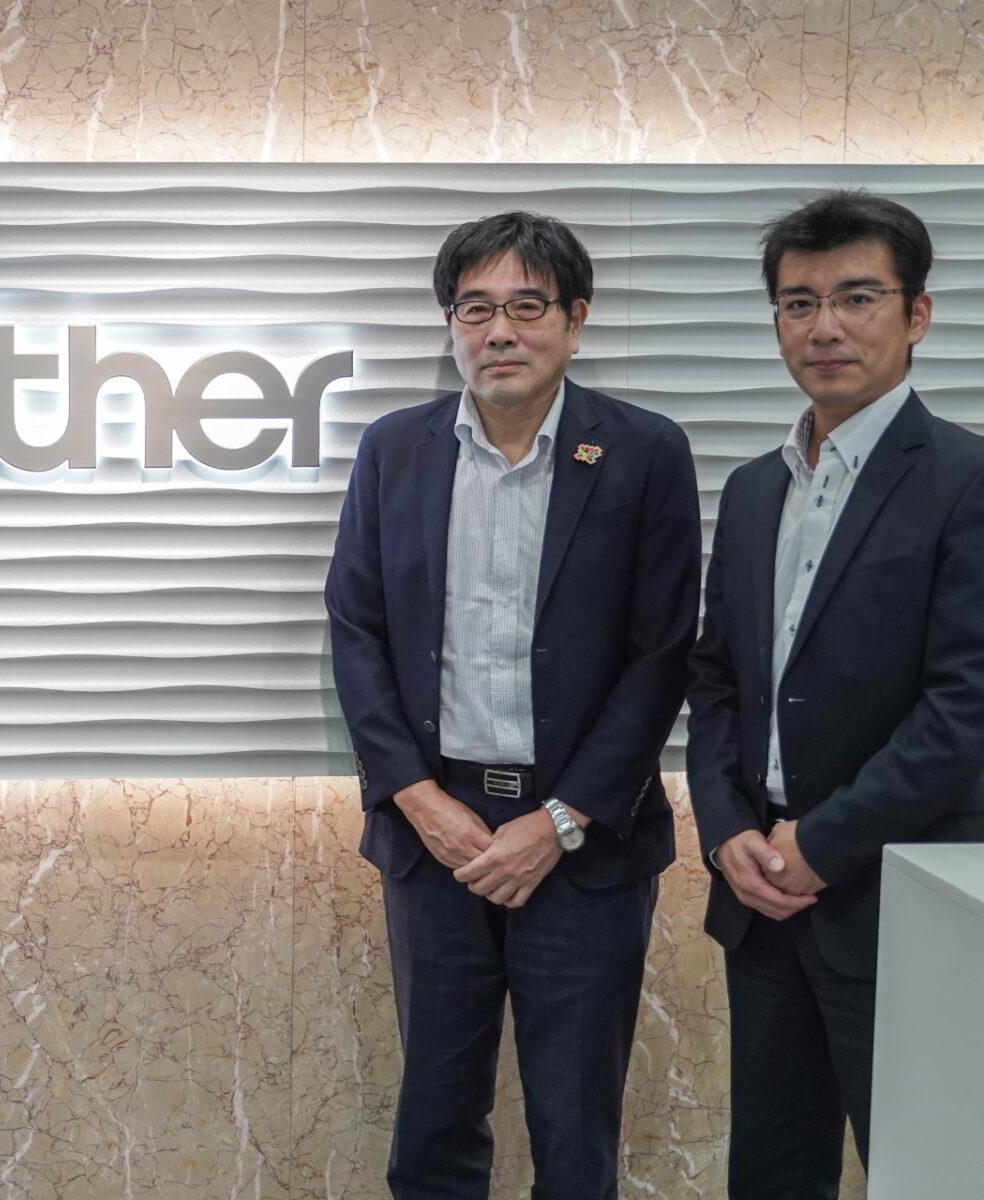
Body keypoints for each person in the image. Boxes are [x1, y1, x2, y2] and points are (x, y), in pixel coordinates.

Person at [325, 211, 702, 1198]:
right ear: (451, 324)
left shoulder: (644, 451)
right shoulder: (395, 450)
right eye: (475, 308)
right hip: (436, 837)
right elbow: (356, 630)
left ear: (576, 320)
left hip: (583, 844)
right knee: (435, 1122)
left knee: (575, 1130)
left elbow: (661, 654)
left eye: (528, 307)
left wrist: (563, 820)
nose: (500, 331)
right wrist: (416, 798)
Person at [686, 190, 984, 1195]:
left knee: (929, 1173)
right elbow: (717, 677)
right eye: (798, 302)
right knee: (772, 1169)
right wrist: (728, 829)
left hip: (910, 894)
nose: (825, 328)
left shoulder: (966, 479)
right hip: (762, 895)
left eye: (858, 298)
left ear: (918, 313)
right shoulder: (753, 487)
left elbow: (967, 706)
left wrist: (820, 843)